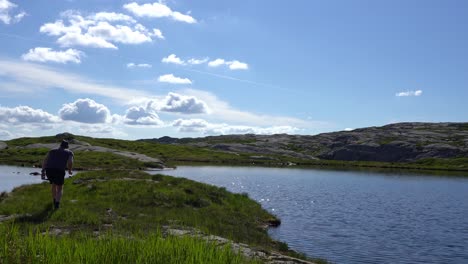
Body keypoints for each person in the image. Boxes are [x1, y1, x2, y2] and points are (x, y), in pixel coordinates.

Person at [41, 139, 74, 209]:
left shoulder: (51, 151)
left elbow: (45, 160)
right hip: (59, 170)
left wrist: (43, 171)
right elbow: (70, 162)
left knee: (53, 184)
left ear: (60, 145)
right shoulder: (69, 152)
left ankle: (54, 200)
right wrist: (70, 171)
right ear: (67, 146)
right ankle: (57, 204)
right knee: (60, 187)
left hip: (49, 170)